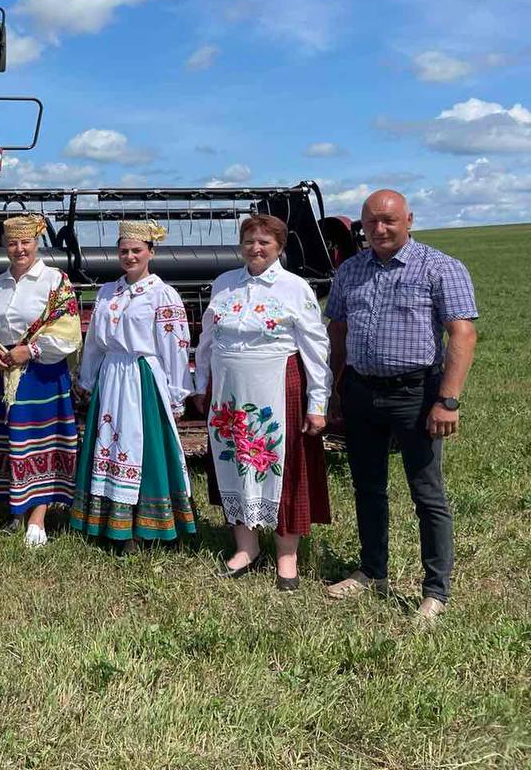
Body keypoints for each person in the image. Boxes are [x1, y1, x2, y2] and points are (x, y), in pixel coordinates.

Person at [324, 189, 477, 622]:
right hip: (360, 392)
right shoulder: (350, 270)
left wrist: (447, 400)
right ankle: (372, 571)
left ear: (408, 220)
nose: (379, 229)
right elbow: (338, 330)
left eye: (388, 220)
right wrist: (333, 389)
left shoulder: (439, 267)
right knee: (367, 487)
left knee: (427, 493)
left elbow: (462, 334)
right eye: (370, 222)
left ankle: (435, 590)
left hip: (416, 394)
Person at [192, 214, 332, 590]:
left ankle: (287, 556)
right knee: (235, 463)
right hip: (228, 394)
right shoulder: (224, 284)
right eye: (249, 241)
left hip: (278, 390)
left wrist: (317, 403)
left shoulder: (294, 288)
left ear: (279, 247)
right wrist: (201, 385)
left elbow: (316, 347)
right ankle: (246, 547)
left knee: (282, 467)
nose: (255, 248)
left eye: (264, 242)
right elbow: (207, 341)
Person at [70, 220, 196, 547]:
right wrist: (87, 378)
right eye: (124, 251)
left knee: (142, 446)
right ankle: (108, 523)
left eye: (136, 250)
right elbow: (95, 341)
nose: (130, 256)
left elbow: (175, 347)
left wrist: (176, 393)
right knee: (108, 445)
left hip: (142, 379)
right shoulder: (107, 292)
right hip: (110, 376)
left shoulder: (162, 294)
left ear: (150, 252)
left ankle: (147, 526)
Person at [0, 215, 81, 547]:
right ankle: (17, 510)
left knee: (41, 443)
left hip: (41, 374)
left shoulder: (55, 281)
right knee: (11, 442)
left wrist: (31, 350)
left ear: (36, 242)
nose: (19, 249)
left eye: (25, 242)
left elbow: (68, 330)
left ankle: (38, 518)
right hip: (5, 374)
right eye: (12, 243)